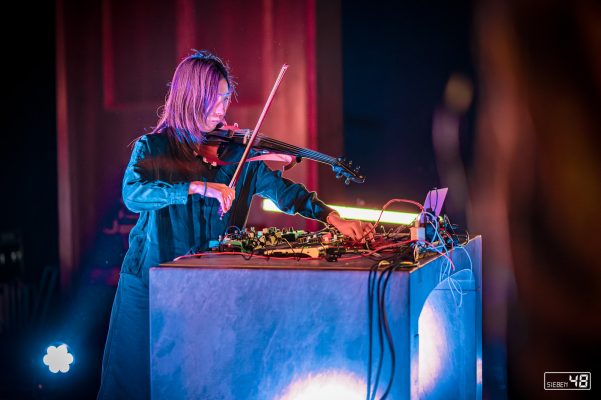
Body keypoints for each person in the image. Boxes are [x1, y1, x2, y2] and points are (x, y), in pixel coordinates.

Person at [97, 50, 373, 399]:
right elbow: (133, 193)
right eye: (212, 100)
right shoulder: (153, 147)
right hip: (148, 283)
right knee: (129, 384)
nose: (220, 110)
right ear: (189, 98)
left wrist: (333, 218)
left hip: (205, 287)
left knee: (194, 381)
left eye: (225, 99)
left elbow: (287, 193)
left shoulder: (238, 155)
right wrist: (196, 186)